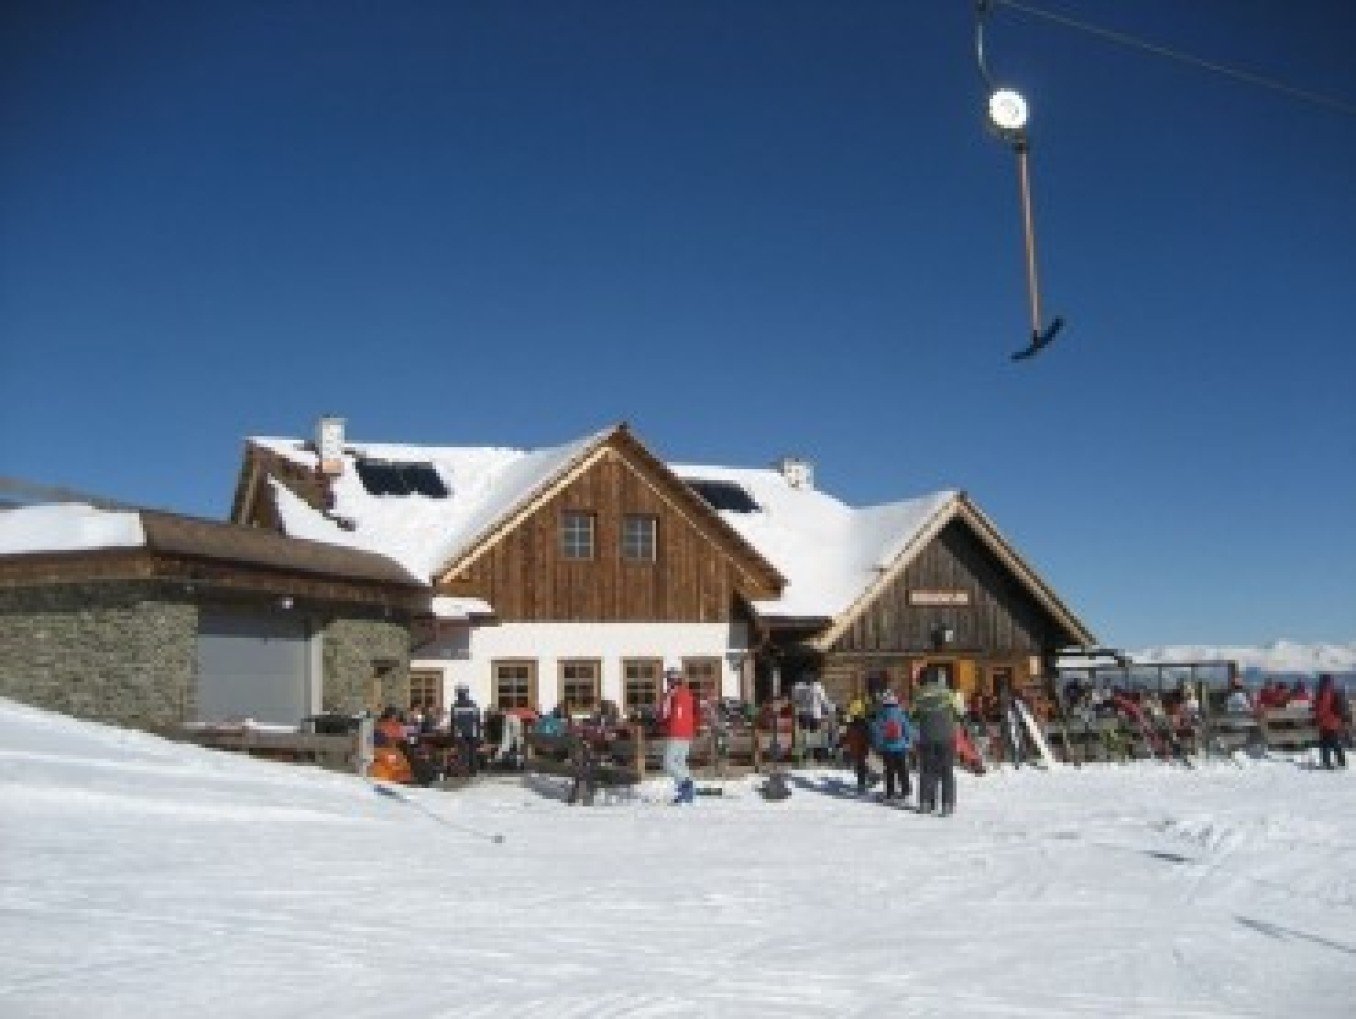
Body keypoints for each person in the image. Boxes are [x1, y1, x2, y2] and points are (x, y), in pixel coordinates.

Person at [913, 667, 958, 816]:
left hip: (926, 737)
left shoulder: (918, 696)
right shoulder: (948, 694)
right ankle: (947, 805)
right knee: (947, 771)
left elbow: (913, 717)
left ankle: (926, 803)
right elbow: (961, 712)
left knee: (927, 770)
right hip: (947, 737)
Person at [658, 667, 697, 804]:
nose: (667, 682)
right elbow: (694, 713)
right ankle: (687, 792)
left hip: (675, 732)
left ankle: (686, 785)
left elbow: (664, 714)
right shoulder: (688, 693)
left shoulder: (671, 694)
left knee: (668, 763)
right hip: (688, 733)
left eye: (668, 679)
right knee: (680, 763)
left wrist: (661, 723)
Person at [870, 690, 914, 802]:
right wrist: (909, 741)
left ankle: (890, 793)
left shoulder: (881, 714)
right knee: (902, 769)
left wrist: (878, 745)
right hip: (901, 747)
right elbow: (907, 728)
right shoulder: (900, 713)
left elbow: (877, 731)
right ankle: (906, 791)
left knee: (889, 770)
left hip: (887, 748)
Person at [1314, 674, 1350, 770]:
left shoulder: (1325, 692)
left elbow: (1322, 707)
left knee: (1325, 743)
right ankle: (1341, 761)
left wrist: (1317, 715)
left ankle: (1327, 763)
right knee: (1335, 742)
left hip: (1326, 721)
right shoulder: (1333, 689)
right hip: (1334, 721)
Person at [450, 683, 482, 777]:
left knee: (462, 752)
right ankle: (472, 771)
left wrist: (453, 734)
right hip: (472, 732)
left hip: (460, 733)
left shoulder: (455, 706)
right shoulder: (473, 704)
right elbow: (477, 720)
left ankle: (464, 770)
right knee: (472, 752)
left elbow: (453, 722)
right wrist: (479, 734)